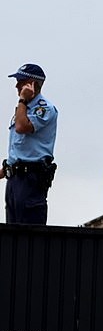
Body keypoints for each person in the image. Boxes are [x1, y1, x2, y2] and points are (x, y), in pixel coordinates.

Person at [0, 63, 58, 225]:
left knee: (29, 235)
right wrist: (5, 170)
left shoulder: (43, 108)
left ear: (32, 84)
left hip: (30, 178)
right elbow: (20, 147)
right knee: (12, 235)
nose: (17, 85)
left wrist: (22, 100)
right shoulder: (23, 109)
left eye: (21, 81)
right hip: (15, 179)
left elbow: (21, 127)